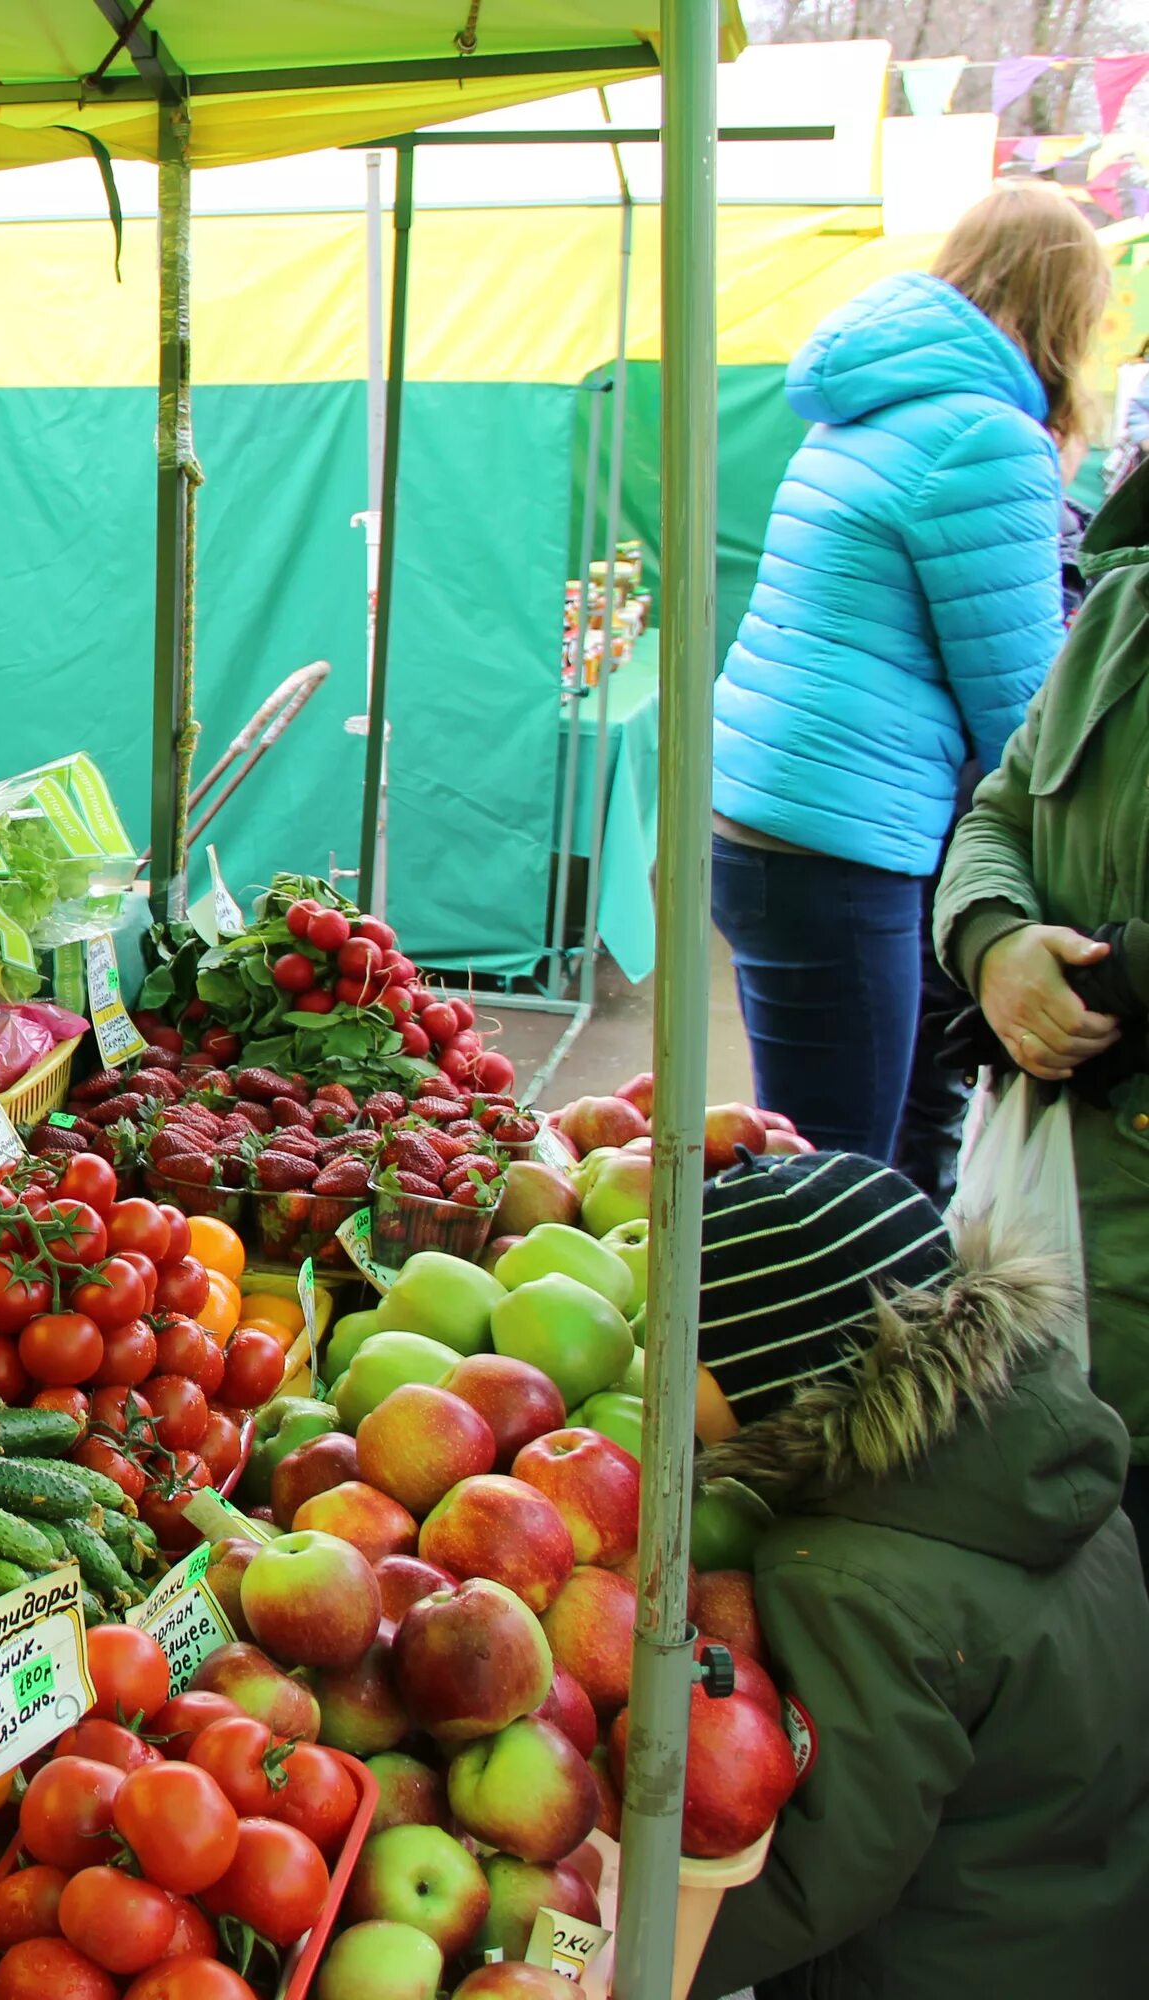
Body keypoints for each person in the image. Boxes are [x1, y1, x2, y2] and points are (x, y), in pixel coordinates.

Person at [688, 1150, 1149, 2000]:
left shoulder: (844, 1584)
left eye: (692, 1352)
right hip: (1080, 1920)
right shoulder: (1056, 1460)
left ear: (776, 1370)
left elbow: (814, 1877)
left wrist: (604, 1955)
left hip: (926, 1969)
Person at [710, 182, 1108, 1164]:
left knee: (833, 1134)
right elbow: (1023, 711)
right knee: (849, 1173)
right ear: (1062, 310)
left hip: (771, 821)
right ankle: (833, 1322)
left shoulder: (871, 398)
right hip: (844, 842)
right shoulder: (987, 437)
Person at [935, 450, 1149, 1566]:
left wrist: (1124, 971)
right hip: (1057, 1241)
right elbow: (1000, 809)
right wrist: (995, 940)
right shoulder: (1121, 594)